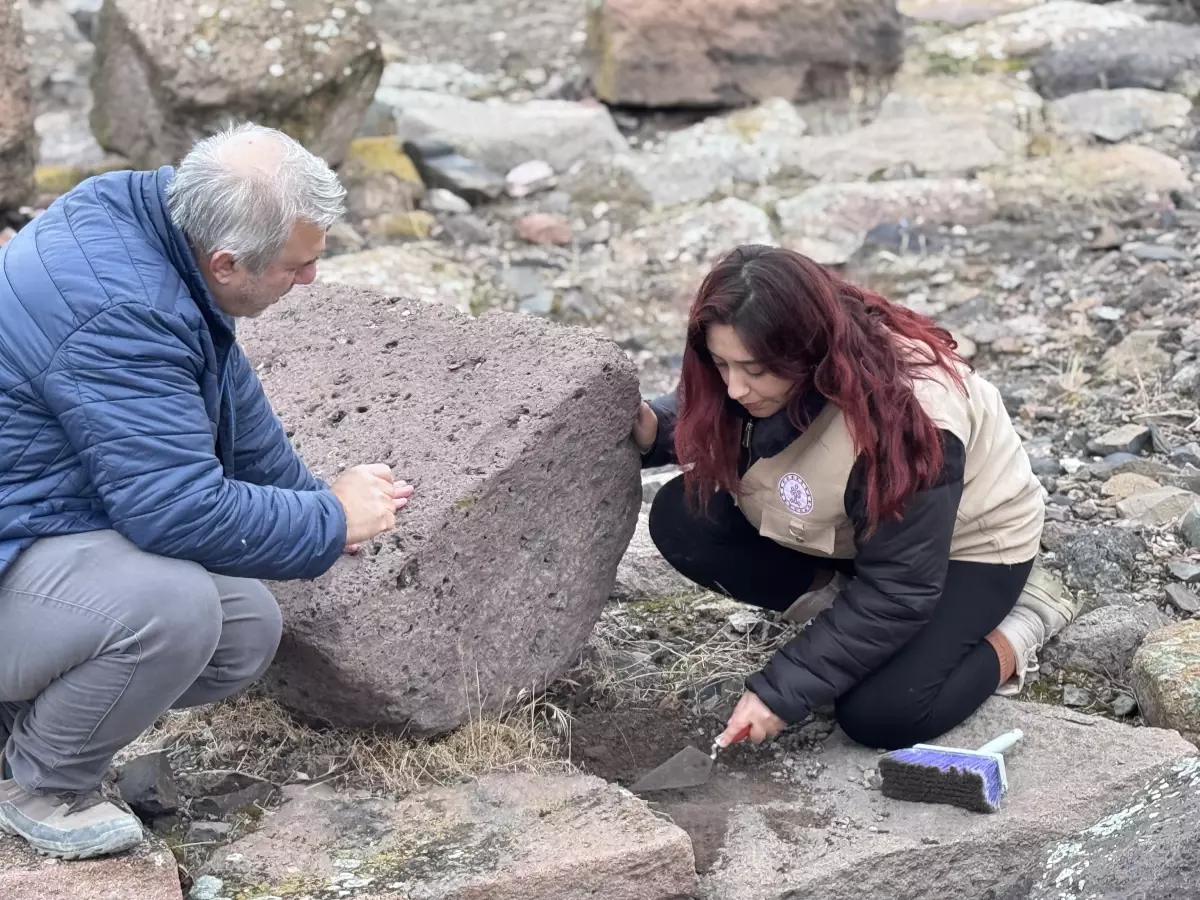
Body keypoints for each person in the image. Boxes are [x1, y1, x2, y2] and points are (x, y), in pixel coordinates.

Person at [0, 123, 413, 860]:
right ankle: (39, 786)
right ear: (226, 262)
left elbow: (226, 393)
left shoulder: (147, 218)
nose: (311, 280)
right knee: (174, 611)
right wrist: (325, 516)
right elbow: (174, 510)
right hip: (22, 537)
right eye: (298, 267)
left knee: (242, 626)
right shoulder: (121, 309)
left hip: (37, 521)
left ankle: (17, 731)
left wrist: (320, 509)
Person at [631, 244, 1079, 754]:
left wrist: (781, 691)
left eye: (754, 370)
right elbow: (717, 413)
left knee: (884, 713)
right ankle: (849, 622)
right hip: (862, 529)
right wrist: (654, 430)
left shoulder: (910, 419)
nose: (735, 388)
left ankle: (1029, 621)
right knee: (683, 516)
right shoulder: (769, 367)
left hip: (969, 546)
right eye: (720, 364)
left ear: (805, 349)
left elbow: (900, 589)